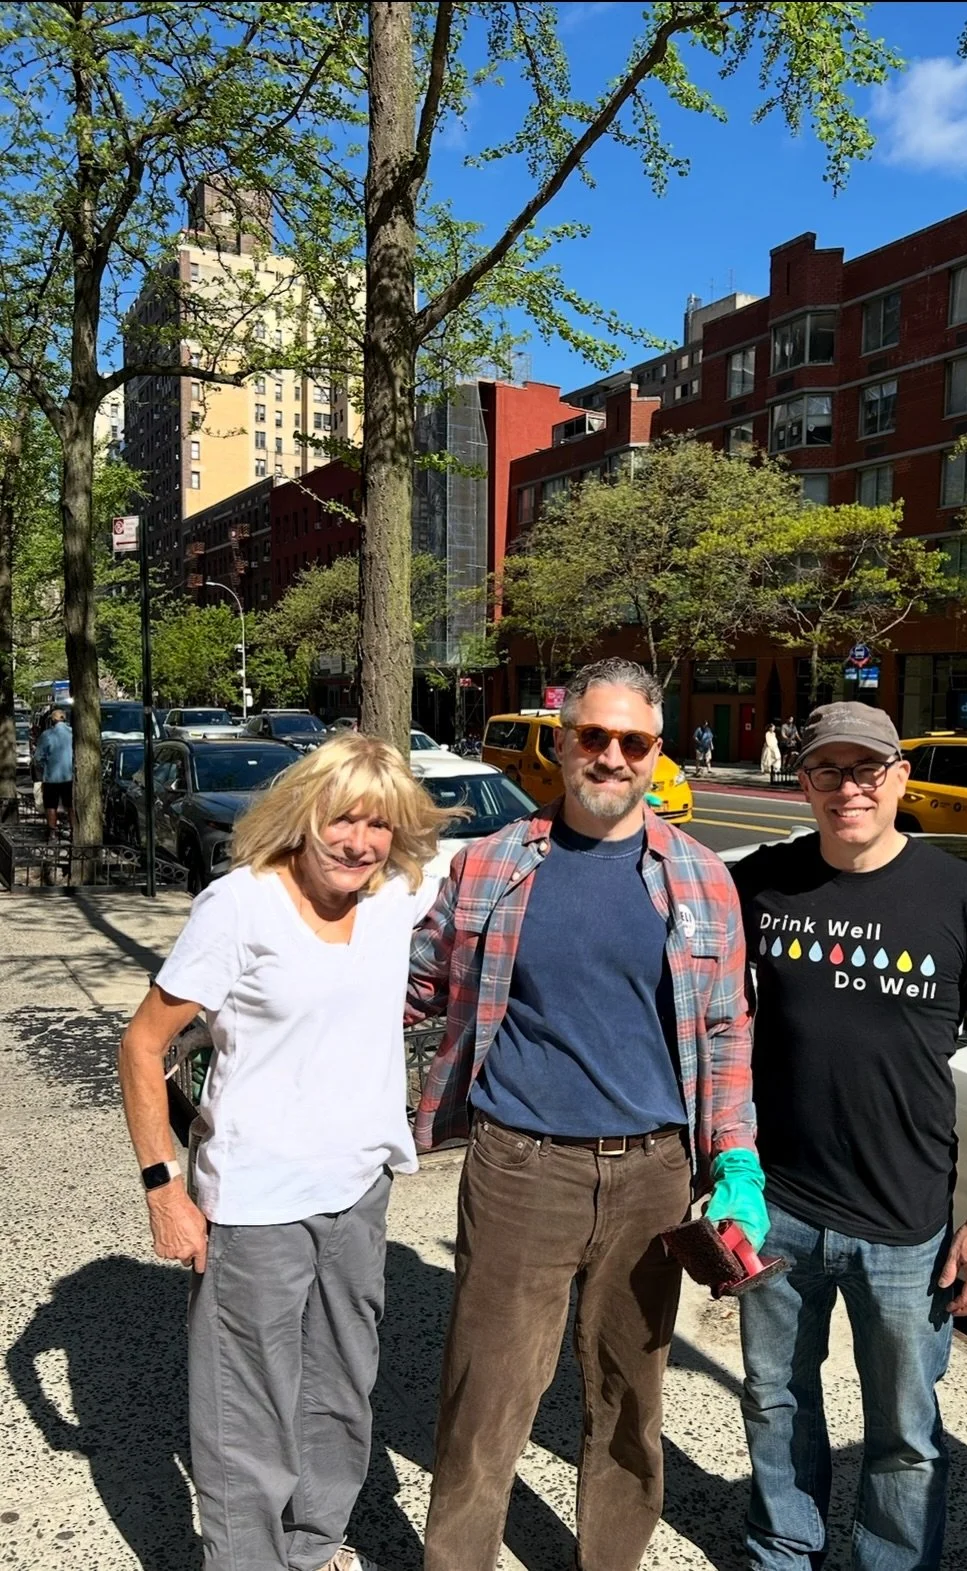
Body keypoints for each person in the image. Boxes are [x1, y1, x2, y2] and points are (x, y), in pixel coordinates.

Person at [408, 656, 767, 1571]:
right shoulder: (490, 865)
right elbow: (412, 983)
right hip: (520, 1166)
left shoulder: (700, 881)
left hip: (654, 1177)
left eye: (632, 742)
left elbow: (725, 1033)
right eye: (593, 736)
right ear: (562, 742)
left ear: (658, 754)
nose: (610, 756)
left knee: (628, 1399)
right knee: (485, 1400)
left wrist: (735, 1160)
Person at [118, 734, 459, 1571]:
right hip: (257, 1198)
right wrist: (165, 1186)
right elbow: (140, 1044)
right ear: (303, 815)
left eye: (380, 825)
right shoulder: (240, 904)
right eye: (343, 818)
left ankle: (312, 1547)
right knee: (248, 1408)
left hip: (359, 1189)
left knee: (341, 1389)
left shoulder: (394, 896)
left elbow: (515, 857)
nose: (359, 841)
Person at [730, 702, 967, 1571]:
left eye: (867, 770)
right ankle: (784, 1549)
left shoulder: (960, 896)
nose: (848, 788)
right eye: (828, 771)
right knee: (774, 1402)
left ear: (900, 778)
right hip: (776, 1207)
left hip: (905, 1225)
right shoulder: (762, 884)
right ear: (804, 783)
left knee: (904, 1430)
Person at [34, 707, 73, 837]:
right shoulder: (73, 733)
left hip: (51, 777)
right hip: (70, 776)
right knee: (70, 805)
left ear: (52, 720)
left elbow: (38, 758)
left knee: (51, 805)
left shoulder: (47, 735)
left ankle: (52, 833)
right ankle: (74, 831)